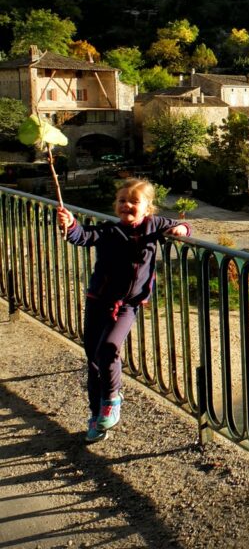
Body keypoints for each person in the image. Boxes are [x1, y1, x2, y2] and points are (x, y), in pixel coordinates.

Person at [56, 179, 190, 443]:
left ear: (148, 208)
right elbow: (81, 236)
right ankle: (97, 415)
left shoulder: (155, 225)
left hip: (127, 305)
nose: (126, 205)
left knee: (107, 349)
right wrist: (69, 223)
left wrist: (182, 230)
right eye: (121, 201)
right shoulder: (109, 230)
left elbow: (182, 226)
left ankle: (112, 399)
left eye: (134, 201)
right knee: (93, 361)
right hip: (98, 301)